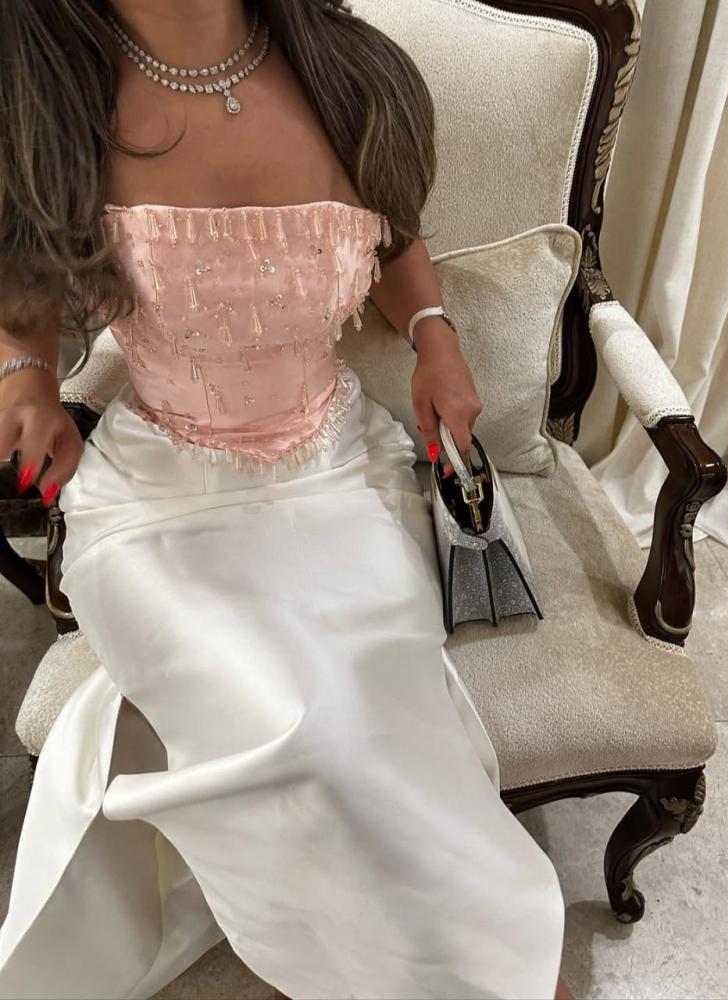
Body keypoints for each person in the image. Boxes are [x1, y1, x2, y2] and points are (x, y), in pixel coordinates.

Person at [0, 2, 572, 997]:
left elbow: (391, 234)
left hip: (336, 466)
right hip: (155, 501)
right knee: (301, 726)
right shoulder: (49, 96)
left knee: (372, 715)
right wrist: (27, 380)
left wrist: (435, 335)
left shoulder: (350, 75)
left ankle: (455, 956)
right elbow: (25, 272)